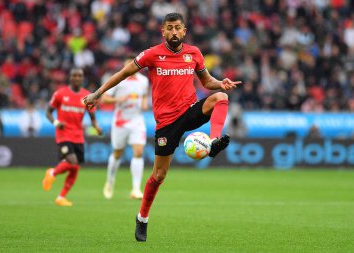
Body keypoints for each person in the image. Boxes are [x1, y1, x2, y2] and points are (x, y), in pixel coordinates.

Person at [83, 13, 241, 241]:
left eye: (178, 28)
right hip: (167, 123)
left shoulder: (193, 53)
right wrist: (98, 93)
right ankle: (142, 219)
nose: (174, 32)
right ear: (163, 31)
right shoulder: (152, 54)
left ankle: (214, 141)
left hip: (189, 110)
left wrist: (220, 82)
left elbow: (207, 82)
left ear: (184, 31)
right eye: (170, 28)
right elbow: (123, 73)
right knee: (159, 175)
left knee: (221, 98)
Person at [42, 68, 102, 207]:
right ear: (70, 77)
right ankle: (53, 172)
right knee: (72, 162)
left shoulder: (87, 96)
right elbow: (48, 112)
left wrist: (96, 127)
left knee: (75, 167)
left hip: (78, 136)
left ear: (82, 78)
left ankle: (61, 197)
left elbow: (92, 117)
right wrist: (56, 123)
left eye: (79, 76)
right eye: (74, 75)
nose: (77, 78)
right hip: (63, 134)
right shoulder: (60, 94)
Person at [101, 55, 149, 200]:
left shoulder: (143, 81)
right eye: (128, 63)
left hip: (137, 120)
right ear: (125, 64)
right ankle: (110, 181)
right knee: (117, 153)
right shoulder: (118, 80)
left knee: (139, 152)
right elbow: (104, 99)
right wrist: (117, 99)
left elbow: (145, 95)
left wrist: (145, 103)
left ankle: (135, 189)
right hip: (120, 121)